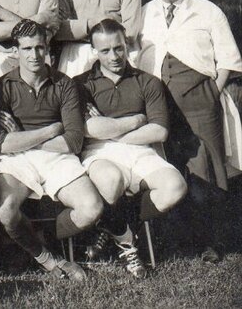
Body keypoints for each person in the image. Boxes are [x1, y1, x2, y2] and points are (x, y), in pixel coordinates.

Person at [137, 0, 242, 262]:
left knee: (206, 170)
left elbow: (228, 59)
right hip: (159, 105)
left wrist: (212, 91)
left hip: (200, 102)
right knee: (168, 167)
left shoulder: (207, 11)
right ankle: (177, 238)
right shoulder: (144, 13)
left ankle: (213, 241)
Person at [76, 19, 187, 278]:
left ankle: (112, 225)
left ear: (127, 45)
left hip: (140, 149)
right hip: (99, 151)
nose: (114, 56)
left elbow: (159, 130)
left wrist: (110, 129)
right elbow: (86, 130)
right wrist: (136, 120)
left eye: (118, 48)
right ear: (94, 51)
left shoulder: (147, 81)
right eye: (105, 51)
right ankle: (127, 245)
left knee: (175, 187)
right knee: (111, 181)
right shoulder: (80, 84)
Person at [0, 19, 102, 281]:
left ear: (48, 49)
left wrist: (23, 137)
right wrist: (52, 130)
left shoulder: (64, 84)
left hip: (57, 157)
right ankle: (48, 259)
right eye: (27, 48)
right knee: (6, 211)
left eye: (40, 48)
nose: (35, 55)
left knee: (92, 208)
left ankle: (39, 238)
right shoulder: (1, 86)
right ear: (16, 51)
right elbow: (1, 144)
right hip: (17, 159)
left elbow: (74, 141)